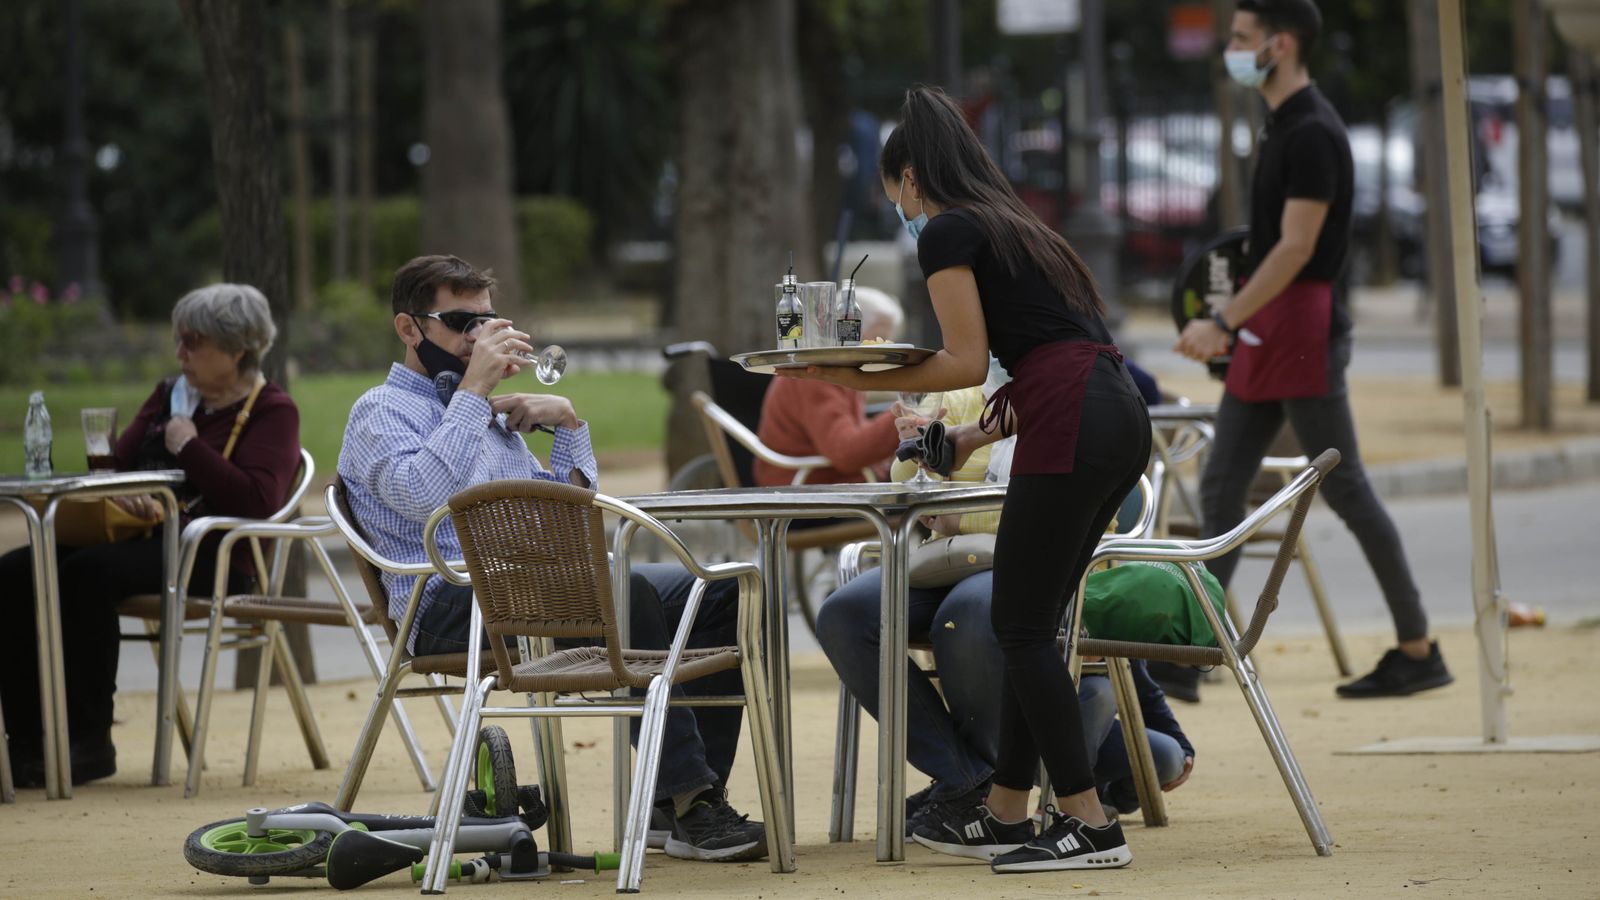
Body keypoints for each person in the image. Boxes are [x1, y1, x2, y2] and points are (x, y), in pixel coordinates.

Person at [780, 86, 1151, 873]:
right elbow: (1042, 361)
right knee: (1034, 623)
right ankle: (1009, 807)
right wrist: (972, 434)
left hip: (1075, 420)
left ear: (911, 179)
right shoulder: (1018, 225)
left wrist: (851, 371)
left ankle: (1088, 824)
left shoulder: (947, 229)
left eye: (895, 202)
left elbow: (965, 361)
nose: (902, 218)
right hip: (1115, 413)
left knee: (1019, 624)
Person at [337, 254, 765, 862]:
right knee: (624, 590)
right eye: (462, 322)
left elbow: (569, 524)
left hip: (528, 588)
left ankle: (678, 807)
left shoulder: (486, 413)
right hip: (443, 601)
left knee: (722, 591)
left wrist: (565, 423)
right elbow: (427, 498)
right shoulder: (379, 411)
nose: (480, 337)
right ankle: (694, 801)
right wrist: (474, 392)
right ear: (410, 329)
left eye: (488, 321)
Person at [1173, 0, 1450, 700]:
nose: (1231, 49)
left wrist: (1224, 320)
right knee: (1220, 485)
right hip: (1271, 329)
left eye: (1242, 38)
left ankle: (1417, 647)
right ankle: (1188, 653)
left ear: (1281, 44)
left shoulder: (1313, 133)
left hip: (1296, 329)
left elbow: (1297, 248)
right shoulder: (1284, 125)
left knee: (1346, 486)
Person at [814, 380, 1193, 851]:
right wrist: (917, 448)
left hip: (1043, 564)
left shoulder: (1071, 393)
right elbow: (909, 481)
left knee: (969, 613)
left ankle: (1008, 790)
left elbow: (1070, 512)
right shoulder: (964, 396)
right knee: (844, 614)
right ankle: (967, 782)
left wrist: (963, 519)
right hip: (950, 561)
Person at [0, 284, 300, 788]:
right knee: (11, 572)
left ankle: (88, 742)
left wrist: (188, 447)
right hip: (137, 538)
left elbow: (256, 500)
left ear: (237, 347)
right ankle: (28, 746)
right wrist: (124, 495)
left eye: (193, 342)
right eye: (179, 340)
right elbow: (116, 465)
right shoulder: (169, 397)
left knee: (86, 575)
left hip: (210, 552)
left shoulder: (273, 409)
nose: (180, 353)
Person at [754, 287, 905, 487]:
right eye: (878, 339)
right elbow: (846, 453)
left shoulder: (837, 370)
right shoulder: (816, 375)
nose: (885, 348)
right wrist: (904, 413)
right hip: (803, 492)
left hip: (827, 482)